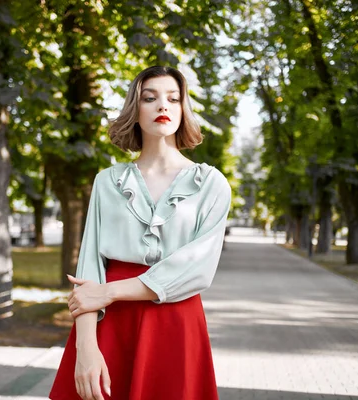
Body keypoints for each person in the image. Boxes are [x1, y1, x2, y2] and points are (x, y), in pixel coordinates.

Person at [49, 66, 232, 400]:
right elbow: (90, 271)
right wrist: (85, 348)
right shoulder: (107, 181)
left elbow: (197, 269)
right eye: (150, 98)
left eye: (173, 99)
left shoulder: (211, 184)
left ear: (182, 109)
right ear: (136, 110)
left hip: (176, 321)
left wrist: (109, 291)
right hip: (111, 324)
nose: (163, 106)